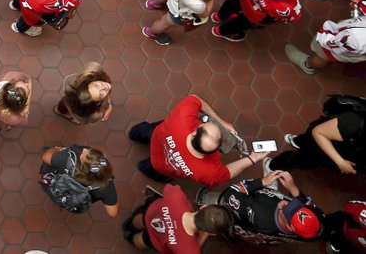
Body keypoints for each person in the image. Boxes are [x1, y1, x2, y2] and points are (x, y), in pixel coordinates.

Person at [128, 93, 270, 186]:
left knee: (143, 131)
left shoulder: (183, 117)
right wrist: (252, 158)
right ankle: (144, 167)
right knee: (153, 169)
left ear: (195, 132)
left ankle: (133, 134)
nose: (216, 124)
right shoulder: (209, 172)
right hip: (162, 167)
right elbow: (228, 172)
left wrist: (222, 121)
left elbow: (196, 100)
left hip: (157, 135)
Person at [201, 169, 324, 243]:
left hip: (250, 223)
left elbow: (230, 195)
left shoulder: (261, 215)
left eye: (287, 210)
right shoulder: (313, 230)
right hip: (265, 232)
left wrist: (262, 182)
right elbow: (304, 202)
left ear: (290, 227)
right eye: (297, 206)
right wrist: (292, 188)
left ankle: (226, 230)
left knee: (223, 215)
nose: (287, 203)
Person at [124, 184, 234, 252]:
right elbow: (193, 248)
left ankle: (130, 224)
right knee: (143, 239)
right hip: (157, 240)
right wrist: (204, 235)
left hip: (151, 214)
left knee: (142, 219)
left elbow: (169, 188)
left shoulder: (176, 197)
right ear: (212, 233)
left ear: (204, 206)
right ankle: (130, 238)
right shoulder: (189, 250)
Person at [268, 103, 365, 175]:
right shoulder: (355, 123)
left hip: (341, 145)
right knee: (299, 158)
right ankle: (271, 166)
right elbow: (319, 132)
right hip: (327, 141)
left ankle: (298, 142)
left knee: (306, 144)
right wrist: (340, 162)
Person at [41, 145, 120, 216]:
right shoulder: (106, 187)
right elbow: (113, 213)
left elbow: (45, 157)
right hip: (73, 199)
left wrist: (57, 149)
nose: (85, 149)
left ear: (84, 169)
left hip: (57, 186)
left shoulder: (64, 159)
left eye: (83, 155)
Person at [0, 70, 32, 134]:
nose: (26, 84)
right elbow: (25, 122)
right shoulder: (14, 118)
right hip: (2, 122)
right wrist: (26, 107)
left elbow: (27, 78)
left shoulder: (8, 78)